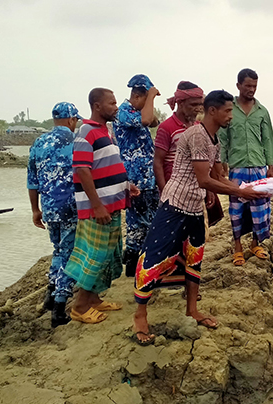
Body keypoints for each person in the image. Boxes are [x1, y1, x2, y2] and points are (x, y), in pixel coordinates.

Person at [132, 90, 267, 345]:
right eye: (228, 110)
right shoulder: (195, 135)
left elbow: (216, 177)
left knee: (195, 258)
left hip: (194, 206)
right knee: (154, 257)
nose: (231, 115)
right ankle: (140, 315)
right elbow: (204, 179)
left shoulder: (214, 139)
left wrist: (257, 188)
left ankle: (192, 309)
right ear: (212, 111)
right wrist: (240, 191)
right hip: (175, 204)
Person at [64, 88, 140, 324]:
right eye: (112, 103)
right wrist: (97, 205)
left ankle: (94, 298)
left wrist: (126, 185)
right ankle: (79, 306)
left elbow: (106, 165)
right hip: (98, 208)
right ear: (97, 106)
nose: (116, 107)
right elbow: (82, 169)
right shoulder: (86, 132)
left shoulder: (104, 131)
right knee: (95, 254)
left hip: (112, 204)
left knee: (108, 253)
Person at [27, 102, 81, 328]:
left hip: (48, 206)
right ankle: (59, 305)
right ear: (71, 120)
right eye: (76, 120)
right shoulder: (75, 141)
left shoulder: (38, 143)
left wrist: (35, 209)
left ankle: (51, 290)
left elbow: (32, 180)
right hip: (71, 206)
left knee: (58, 249)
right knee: (69, 253)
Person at [218, 68, 273, 266]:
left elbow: (268, 139)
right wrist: (222, 164)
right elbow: (223, 139)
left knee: (260, 208)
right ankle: (237, 248)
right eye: (248, 86)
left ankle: (255, 243)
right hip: (237, 166)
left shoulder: (262, 111)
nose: (251, 89)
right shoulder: (229, 109)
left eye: (254, 86)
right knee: (237, 208)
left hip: (259, 165)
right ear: (238, 86)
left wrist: (270, 166)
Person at [113, 74, 161, 277]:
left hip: (148, 178)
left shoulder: (136, 111)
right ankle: (132, 268)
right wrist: (151, 96)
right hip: (135, 179)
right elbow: (147, 119)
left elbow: (154, 121)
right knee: (136, 224)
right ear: (137, 95)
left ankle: (142, 265)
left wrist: (149, 101)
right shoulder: (123, 112)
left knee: (149, 221)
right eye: (146, 97)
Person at [154, 81, 204, 191]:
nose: (198, 108)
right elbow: (158, 162)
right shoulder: (166, 127)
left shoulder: (198, 127)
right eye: (193, 104)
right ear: (181, 104)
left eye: (200, 104)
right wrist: (164, 192)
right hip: (174, 189)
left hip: (196, 188)